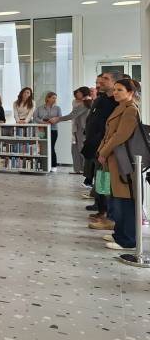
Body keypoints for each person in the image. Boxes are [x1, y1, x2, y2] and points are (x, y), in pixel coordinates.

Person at [97, 78, 141, 251]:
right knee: (116, 200)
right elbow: (109, 133)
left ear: (130, 92)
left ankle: (127, 240)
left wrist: (104, 151)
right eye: (115, 89)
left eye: (120, 90)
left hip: (122, 162)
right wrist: (102, 151)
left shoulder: (131, 110)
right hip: (113, 159)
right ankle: (119, 233)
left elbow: (120, 136)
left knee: (124, 201)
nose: (115, 92)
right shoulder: (120, 107)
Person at [82, 73, 120, 228]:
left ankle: (108, 216)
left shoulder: (118, 103)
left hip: (106, 149)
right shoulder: (101, 99)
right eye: (99, 80)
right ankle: (102, 210)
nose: (100, 83)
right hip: (95, 147)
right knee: (100, 180)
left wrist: (104, 148)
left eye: (105, 79)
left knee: (106, 182)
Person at [52, 87, 92, 175]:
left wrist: (58, 119)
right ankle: (77, 169)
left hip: (82, 129)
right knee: (74, 150)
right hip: (76, 129)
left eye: (79, 93)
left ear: (84, 93)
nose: (77, 94)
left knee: (82, 150)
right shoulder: (77, 102)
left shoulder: (86, 103)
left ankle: (85, 170)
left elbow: (72, 115)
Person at [33, 92, 62, 172]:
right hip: (42, 130)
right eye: (53, 98)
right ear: (48, 98)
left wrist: (54, 120)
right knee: (42, 147)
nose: (54, 99)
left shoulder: (57, 108)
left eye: (55, 98)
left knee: (51, 147)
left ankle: (53, 165)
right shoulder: (39, 108)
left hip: (53, 130)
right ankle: (43, 165)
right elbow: (35, 117)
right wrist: (43, 122)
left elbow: (60, 118)